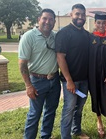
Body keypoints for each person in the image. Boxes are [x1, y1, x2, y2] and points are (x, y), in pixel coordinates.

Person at [18, 8, 61, 139]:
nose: (48, 22)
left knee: (50, 112)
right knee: (34, 113)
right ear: (39, 19)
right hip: (37, 81)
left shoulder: (55, 37)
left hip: (54, 80)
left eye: (51, 19)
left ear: (54, 22)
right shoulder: (29, 37)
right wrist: (28, 85)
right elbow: (22, 63)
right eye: (45, 18)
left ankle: (45, 136)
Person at [55, 4, 90, 139]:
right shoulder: (64, 33)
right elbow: (60, 57)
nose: (80, 17)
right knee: (69, 109)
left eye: (82, 14)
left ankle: (76, 130)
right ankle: (65, 136)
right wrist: (69, 80)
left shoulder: (86, 35)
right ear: (71, 15)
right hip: (70, 81)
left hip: (84, 81)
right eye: (77, 14)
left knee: (79, 107)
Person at [88, 11, 106, 139]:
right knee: (96, 97)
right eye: (99, 22)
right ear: (95, 23)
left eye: (103, 23)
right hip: (93, 74)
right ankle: (99, 121)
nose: (101, 25)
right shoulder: (90, 38)